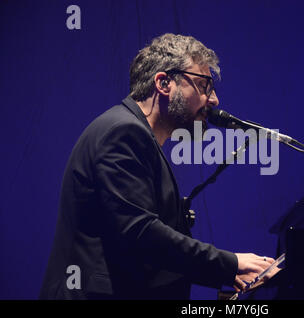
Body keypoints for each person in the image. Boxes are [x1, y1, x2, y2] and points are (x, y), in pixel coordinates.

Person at [39, 33, 275, 299]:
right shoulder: (123, 132)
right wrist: (231, 263)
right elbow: (141, 234)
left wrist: (226, 273)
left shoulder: (136, 135)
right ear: (163, 83)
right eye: (204, 85)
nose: (214, 100)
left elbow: (146, 249)